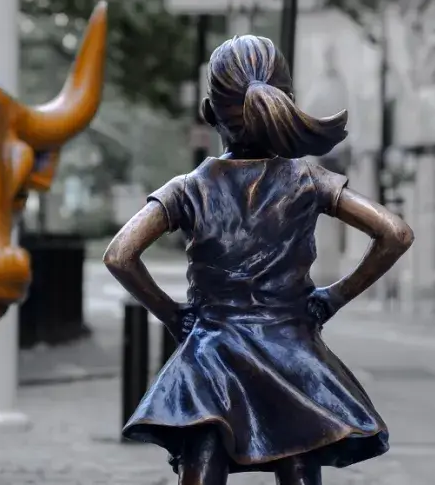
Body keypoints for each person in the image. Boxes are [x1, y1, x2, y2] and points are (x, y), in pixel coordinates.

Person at [103, 35, 414, 485]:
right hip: (290, 348)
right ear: (286, 102)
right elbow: (395, 233)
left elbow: (120, 255)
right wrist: (332, 298)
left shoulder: (188, 187)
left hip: (212, 350)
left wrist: (172, 314)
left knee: (203, 457)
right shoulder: (309, 180)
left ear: (210, 113)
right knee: (297, 456)